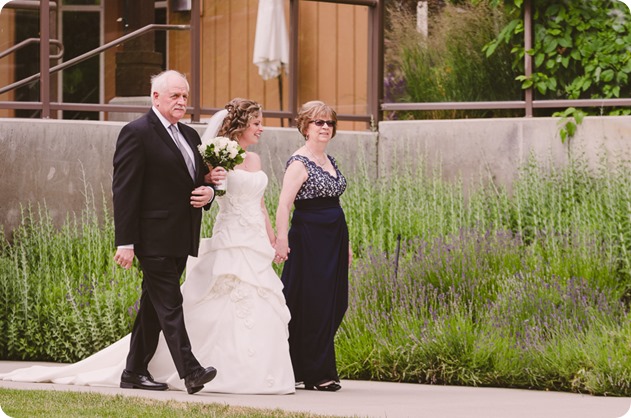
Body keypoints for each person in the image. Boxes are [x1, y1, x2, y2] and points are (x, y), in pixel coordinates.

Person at [0, 96, 295, 395]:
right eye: (175, 95)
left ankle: (133, 370)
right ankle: (190, 370)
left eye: (185, 96)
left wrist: (208, 187)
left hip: (184, 237)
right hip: (153, 237)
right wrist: (125, 242)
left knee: (154, 307)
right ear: (157, 96)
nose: (182, 100)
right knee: (170, 303)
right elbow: (125, 190)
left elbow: (197, 183)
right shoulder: (137, 132)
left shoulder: (191, 137)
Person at [274, 100, 350, 392]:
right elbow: (284, 204)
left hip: (334, 238)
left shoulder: (330, 161)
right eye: (318, 122)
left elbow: (336, 204)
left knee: (335, 302)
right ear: (305, 127)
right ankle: (317, 373)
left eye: (329, 123)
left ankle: (306, 367)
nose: (325, 128)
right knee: (312, 304)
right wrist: (282, 238)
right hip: (309, 239)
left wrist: (346, 245)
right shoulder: (299, 162)